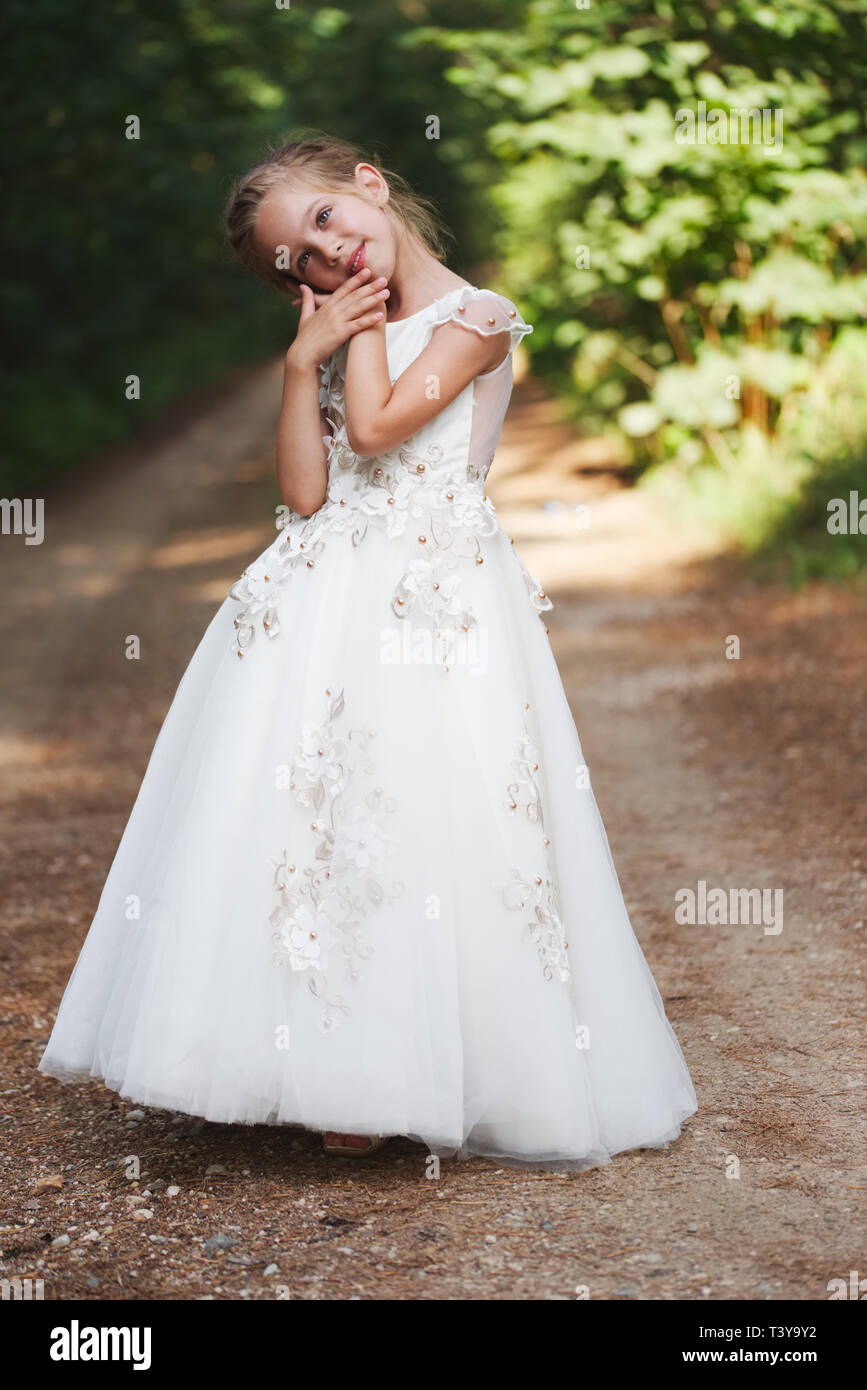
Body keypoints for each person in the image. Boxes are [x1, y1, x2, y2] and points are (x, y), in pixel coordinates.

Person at [39, 135, 697, 1168]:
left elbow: (384, 429)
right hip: (319, 595)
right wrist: (304, 362)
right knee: (310, 819)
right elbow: (307, 491)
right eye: (294, 263)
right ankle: (301, 1055)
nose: (323, 256)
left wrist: (351, 340)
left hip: (430, 598)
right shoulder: (340, 333)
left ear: (370, 187)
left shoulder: (475, 317)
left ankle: (405, 1069)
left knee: (427, 814)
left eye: (325, 221)